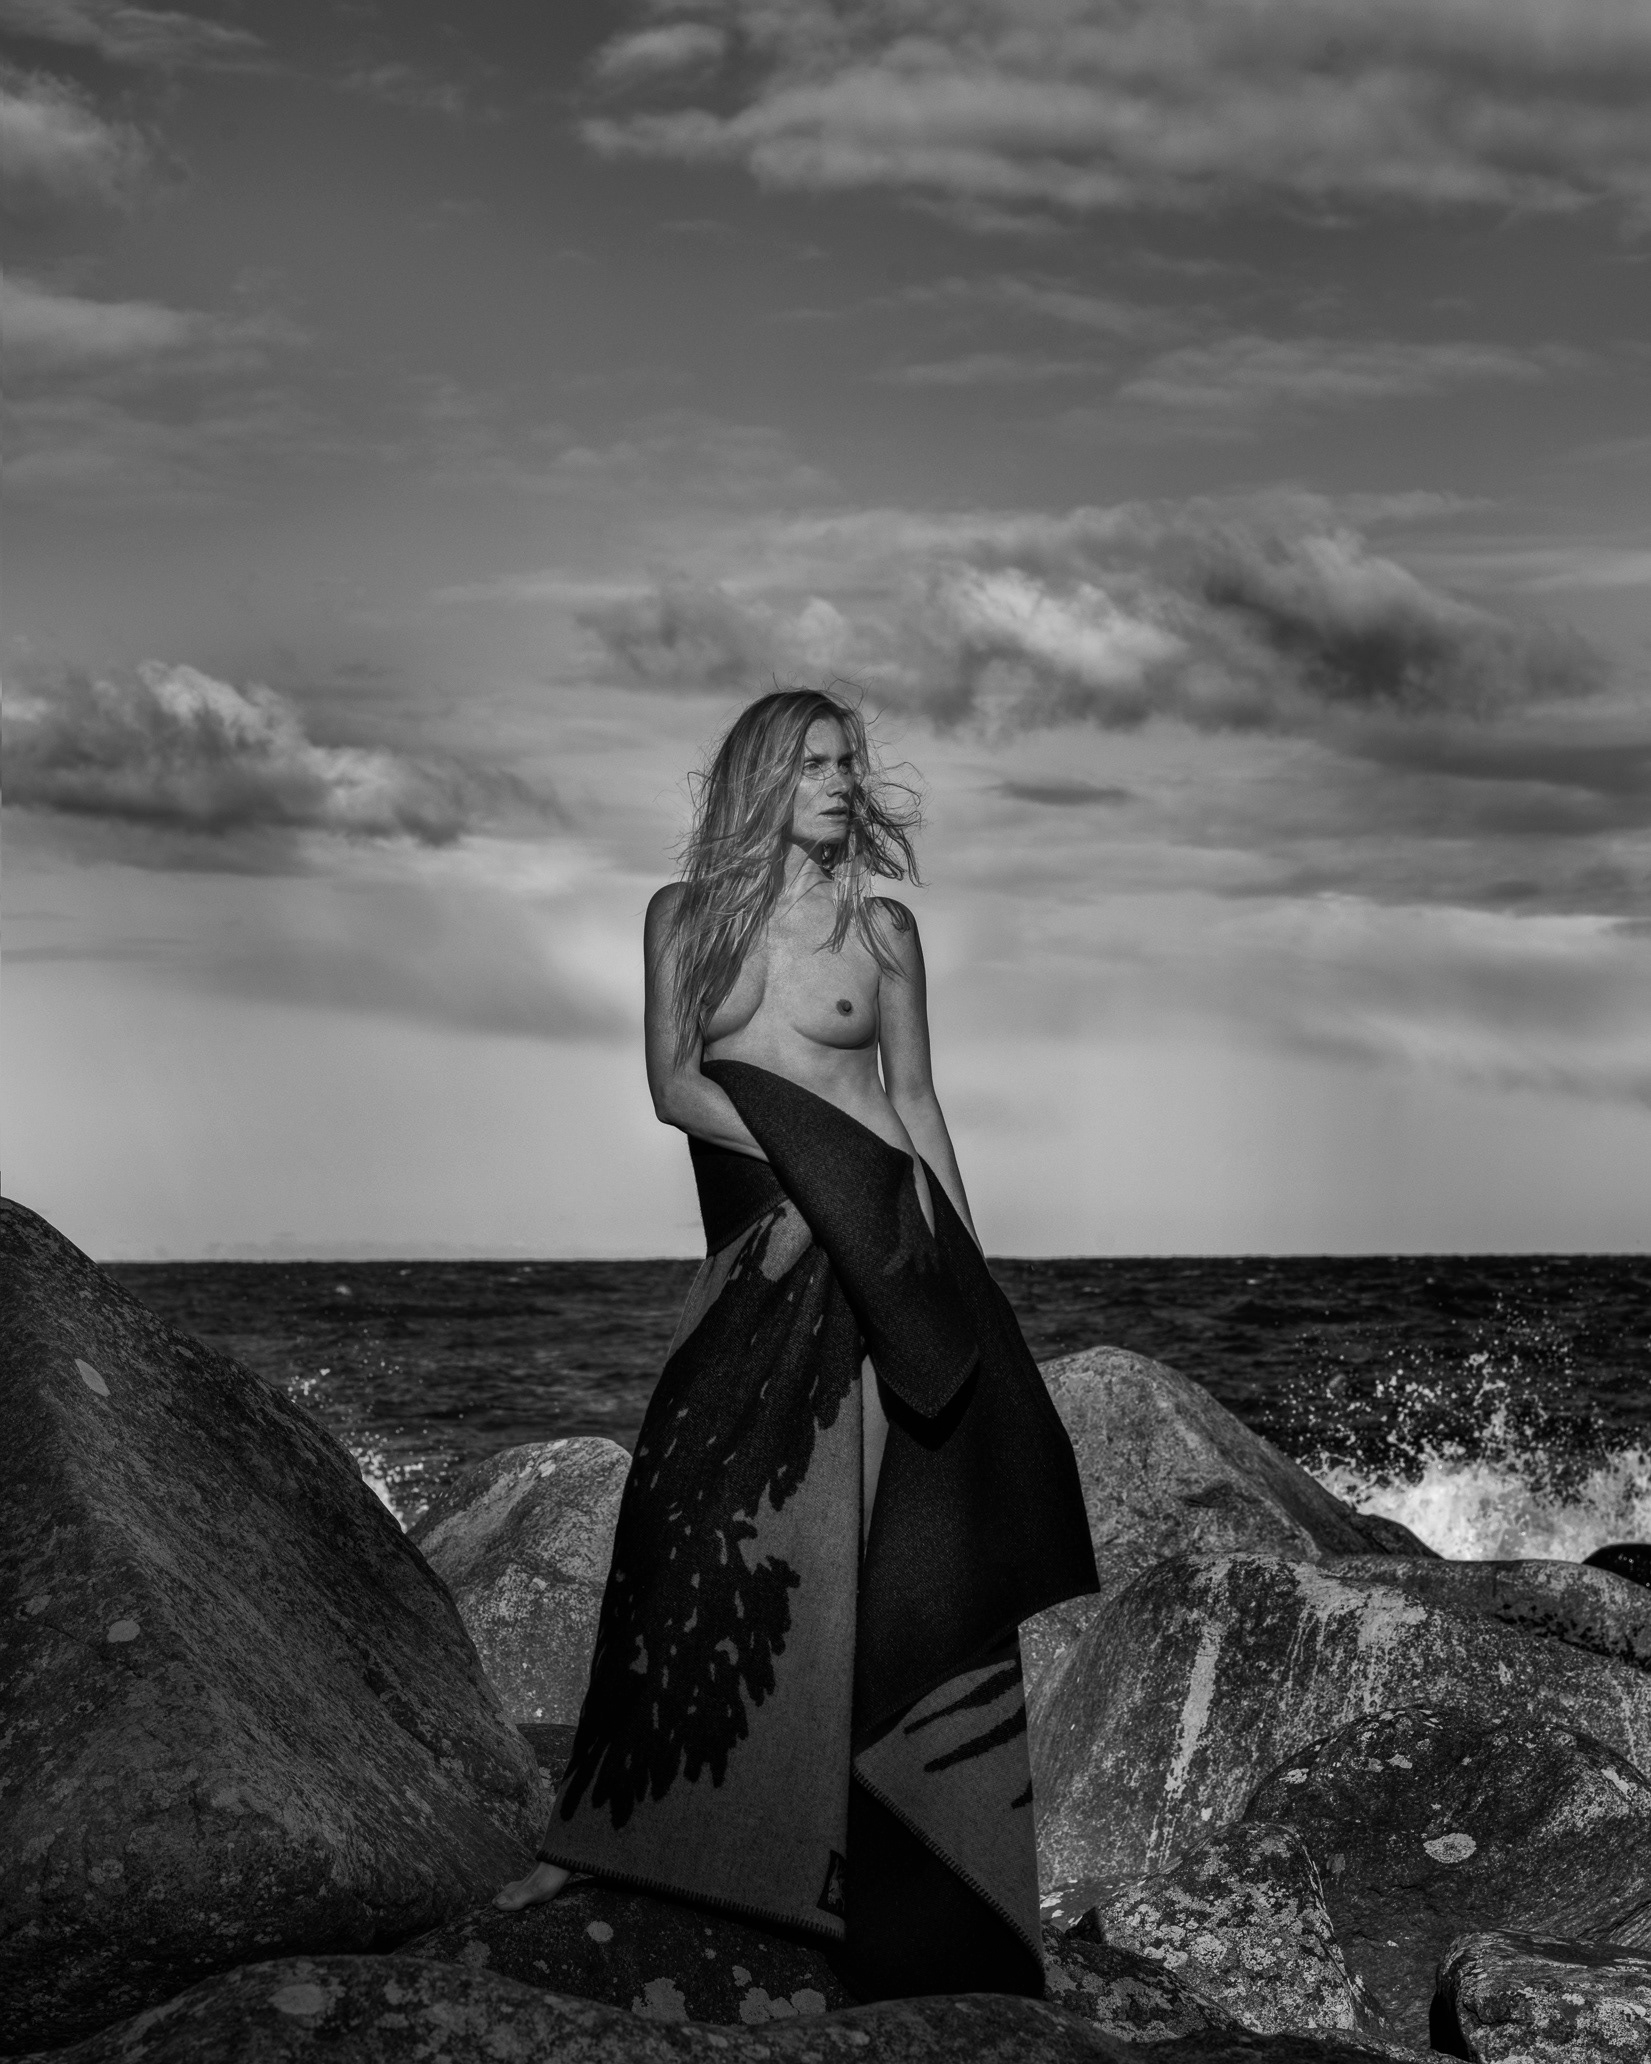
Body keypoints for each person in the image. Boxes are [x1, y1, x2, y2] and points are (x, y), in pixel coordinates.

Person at [496, 688, 1097, 2000]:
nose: (841, 782)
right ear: (764, 779)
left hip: (878, 1257)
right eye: (816, 763)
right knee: (678, 1525)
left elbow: (915, 1104)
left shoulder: (884, 935)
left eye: (848, 763)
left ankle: (885, 1888)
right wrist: (816, 1156)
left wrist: (967, 1286)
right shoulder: (683, 918)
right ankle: (602, 1836)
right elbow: (674, 1085)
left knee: (870, 1561)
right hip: (756, 1257)